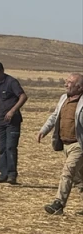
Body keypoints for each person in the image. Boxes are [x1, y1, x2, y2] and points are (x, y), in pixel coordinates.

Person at [37, 72, 83, 216]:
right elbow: (55, 116)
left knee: (67, 172)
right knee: (79, 179)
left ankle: (58, 204)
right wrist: (44, 130)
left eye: (69, 82)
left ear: (79, 87)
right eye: (66, 81)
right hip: (65, 144)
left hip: (79, 145)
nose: (66, 84)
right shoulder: (64, 98)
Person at [0, 60, 28, 184]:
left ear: (2, 70)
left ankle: (12, 175)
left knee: (10, 147)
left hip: (12, 121)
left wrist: (13, 110)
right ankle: (3, 174)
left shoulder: (11, 82)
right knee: (2, 147)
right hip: (0, 121)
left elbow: (23, 96)